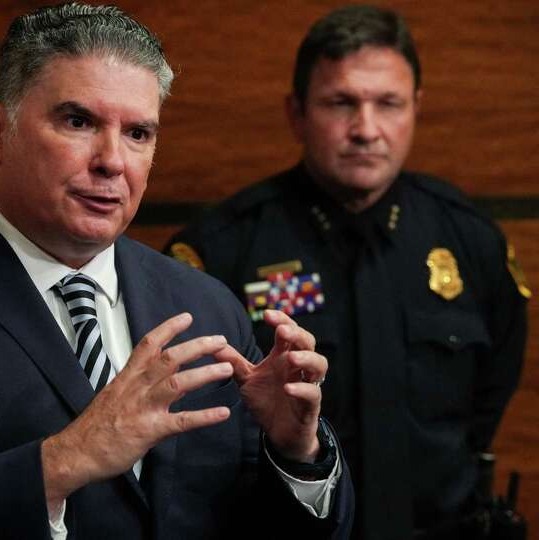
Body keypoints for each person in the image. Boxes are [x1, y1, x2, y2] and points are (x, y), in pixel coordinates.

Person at [0, 3, 353, 538]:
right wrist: (63, 462)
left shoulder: (204, 306)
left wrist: (296, 454)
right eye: (78, 120)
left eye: (138, 133)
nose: (112, 159)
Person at [166, 5, 528, 539]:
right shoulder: (223, 249)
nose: (366, 129)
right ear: (297, 114)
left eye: (388, 104)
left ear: (416, 109)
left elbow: (492, 388)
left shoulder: (470, 239)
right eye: (341, 103)